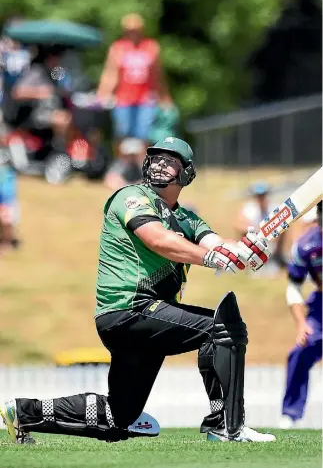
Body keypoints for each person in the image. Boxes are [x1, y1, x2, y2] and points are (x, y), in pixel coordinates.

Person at [0, 137, 276, 444]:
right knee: (222, 328)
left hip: (144, 323)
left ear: (186, 172)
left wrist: (248, 250)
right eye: (156, 157)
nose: (159, 163)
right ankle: (225, 424)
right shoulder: (130, 196)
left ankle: (23, 412)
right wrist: (215, 257)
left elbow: (217, 245)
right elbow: (157, 238)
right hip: (129, 310)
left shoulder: (188, 219)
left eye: (169, 160)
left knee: (118, 419)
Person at [97, 13, 173, 156]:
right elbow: (110, 73)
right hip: (123, 98)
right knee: (122, 132)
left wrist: (165, 97)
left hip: (146, 98)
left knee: (144, 133)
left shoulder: (151, 47)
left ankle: (143, 165)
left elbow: (158, 76)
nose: (133, 33)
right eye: (129, 30)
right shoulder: (118, 48)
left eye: (135, 30)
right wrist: (103, 93)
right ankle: (121, 165)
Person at [279, 201, 322, 429]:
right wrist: (301, 323)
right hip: (320, 310)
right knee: (300, 352)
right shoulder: (306, 246)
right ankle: (290, 414)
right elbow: (293, 287)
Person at [234, 182, 286, 276]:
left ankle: (277, 258)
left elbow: (283, 224)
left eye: (262, 195)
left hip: (271, 242)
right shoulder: (248, 209)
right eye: (258, 196)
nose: (260, 198)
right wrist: (257, 230)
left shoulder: (273, 208)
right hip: (254, 243)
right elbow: (238, 224)